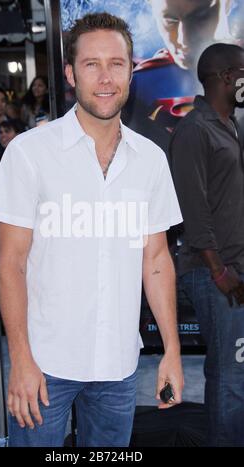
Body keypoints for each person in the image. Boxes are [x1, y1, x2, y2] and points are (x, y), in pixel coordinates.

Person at [0, 12, 184, 447]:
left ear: (131, 70)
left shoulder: (151, 159)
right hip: (44, 363)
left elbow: (155, 260)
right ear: (71, 74)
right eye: (92, 64)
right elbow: (12, 264)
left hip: (118, 364)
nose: (105, 77)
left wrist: (172, 350)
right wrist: (20, 358)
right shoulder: (28, 154)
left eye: (116, 63)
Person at [170, 43, 244, 447]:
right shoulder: (194, 130)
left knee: (237, 371)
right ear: (226, 77)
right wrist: (219, 270)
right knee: (228, 376)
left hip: (234, 268)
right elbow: (192, 210)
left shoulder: (230, 124)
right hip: (214, 272)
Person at [122, 0, 235, 135]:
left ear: (227, 3)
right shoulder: (140, 84)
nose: (183, 39)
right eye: (170, 21)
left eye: (201, 17)